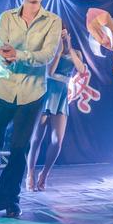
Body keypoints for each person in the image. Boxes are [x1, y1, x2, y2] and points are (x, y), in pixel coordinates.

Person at [0, 0, 61, 219]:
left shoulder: (53, 21)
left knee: (19, 148)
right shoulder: (6, 17)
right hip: (3, 89)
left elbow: (46, 55)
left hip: (33, 93)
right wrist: (7, 58)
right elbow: (0, 49)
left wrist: (18, 54)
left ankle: (11, 199)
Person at [26, 24, 85, 192]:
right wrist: (58, 52)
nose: (61, 36)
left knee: (57, 141)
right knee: (36, 138)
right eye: (58, 34)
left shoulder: (76, 53)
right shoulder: (49, 52)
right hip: (46, 93)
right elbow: (50, 72)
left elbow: (81, 69)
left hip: (61, 96)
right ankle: (30, 173)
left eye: (64, 33)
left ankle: (44, 174)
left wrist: (69, 47)